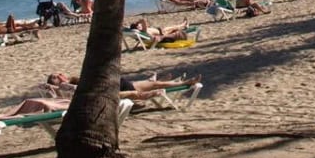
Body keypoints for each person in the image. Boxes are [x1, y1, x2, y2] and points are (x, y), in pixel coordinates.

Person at [46, 71, 200, 101]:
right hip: (118, 88)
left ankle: (168, 81)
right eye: (56, 77)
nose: (60, 74)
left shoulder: (71, 83)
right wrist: (55, 88)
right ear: (57, 82)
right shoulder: (66, 87)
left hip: (118, 84)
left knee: (152, 83)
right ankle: (184, 83)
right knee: (153, 85)